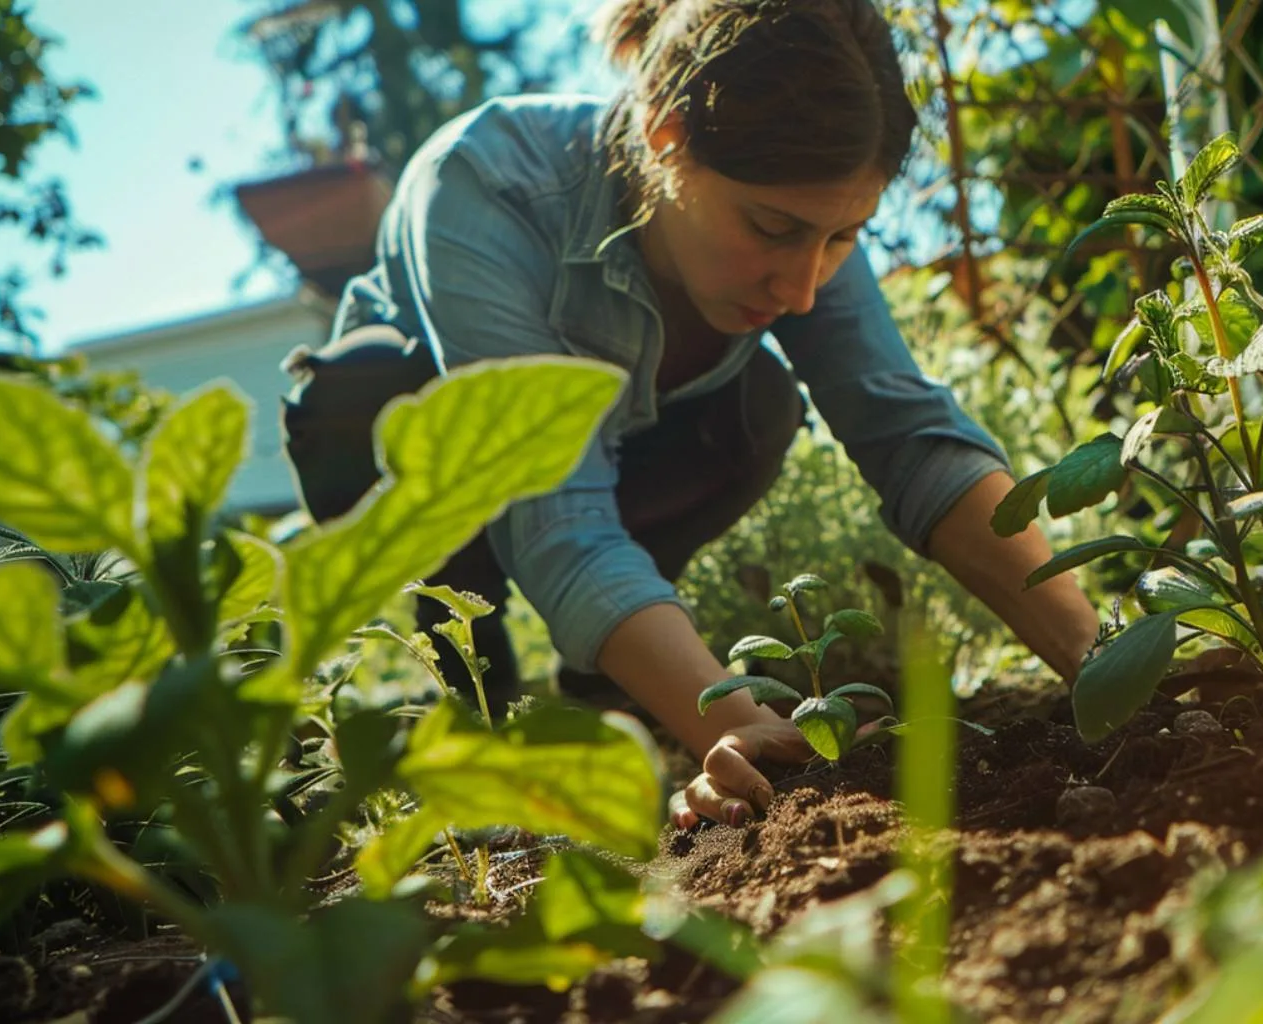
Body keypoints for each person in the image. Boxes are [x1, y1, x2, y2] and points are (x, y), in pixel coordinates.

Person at [280, 0, 1101, 830]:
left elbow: (905, 431)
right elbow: (554, 512)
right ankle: (479, 709)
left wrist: (1095, 654)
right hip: (398, 455)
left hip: (622, 455)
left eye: (843, 238)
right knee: (375, 396)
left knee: (758, 409)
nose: (805, 286)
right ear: (665, 136)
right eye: (774, 228)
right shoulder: (484, 184)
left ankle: (620, 684)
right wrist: (734, 719)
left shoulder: (800, 215)